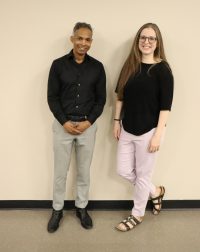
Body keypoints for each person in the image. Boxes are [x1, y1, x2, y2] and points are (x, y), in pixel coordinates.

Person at [113, 23, 174, 232]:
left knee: (142, 175)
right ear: (138, 40)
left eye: (151, 38)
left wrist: (158, 135)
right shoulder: (130, 65)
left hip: (149, 131)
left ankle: (137, 214)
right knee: (123, 170)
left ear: (158, 43)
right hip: (127, 128)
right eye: (143, 37)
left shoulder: (162, 70)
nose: (146, 42)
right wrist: (116, 121)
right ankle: (155, 191)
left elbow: (165, 108)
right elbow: (119, 96)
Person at [47, 22, 106, 232]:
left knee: (83, 172)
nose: (83, 43)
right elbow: (52, 98)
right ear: (72, 39)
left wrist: (88, 122)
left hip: (87, 127)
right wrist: (64, 122)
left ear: (91, 42)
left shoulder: (97, 67)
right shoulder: (58, 65)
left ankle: (81, 208)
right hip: (62, 125)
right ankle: (57, 210)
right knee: (60, 172)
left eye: (88, 39)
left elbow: (101, 100)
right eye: (79, 38)